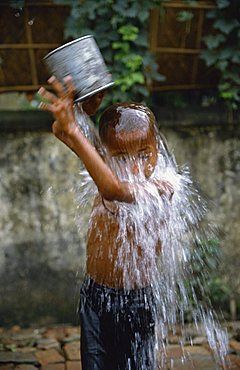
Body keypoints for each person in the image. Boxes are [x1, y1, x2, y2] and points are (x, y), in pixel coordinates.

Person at [38, 75, 173, 370]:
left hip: (137, 301)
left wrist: (75, 128)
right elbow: (65, 135)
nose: (135, 167)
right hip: (95, 297)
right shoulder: (106, 172)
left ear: (157, 150)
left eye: (144, 154)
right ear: (106, 157)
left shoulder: (162, 187)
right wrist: (75, 118)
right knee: (95, 364)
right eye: (121, 157)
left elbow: (114, 190)